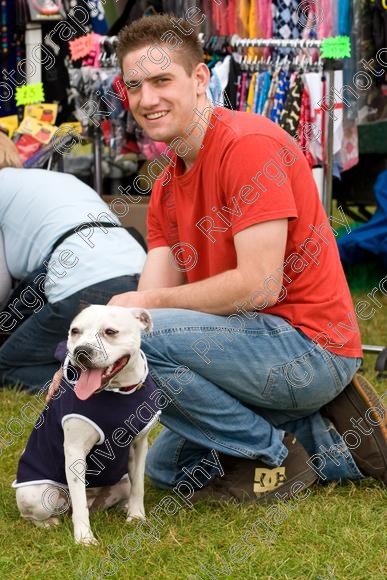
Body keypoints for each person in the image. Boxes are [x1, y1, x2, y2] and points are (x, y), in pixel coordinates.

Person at [54, 14, 386, 501]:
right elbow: (152, 298)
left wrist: (130, 316)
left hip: (309, 348)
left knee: (142, 338)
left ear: (201, 79)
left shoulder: (248, 146)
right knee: (169, 471)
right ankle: (330, 440)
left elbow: (259, 286)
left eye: (162, 80)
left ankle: (274, 452)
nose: (147, 99)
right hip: (244, 350)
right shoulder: (167, 182)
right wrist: (78, 370)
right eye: (134, 85)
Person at [0, 132, 146, 392]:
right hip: (141, 272)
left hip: (85, 282)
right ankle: (123, 376)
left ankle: (88, 389)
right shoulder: (59, 180)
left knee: (7, 364)